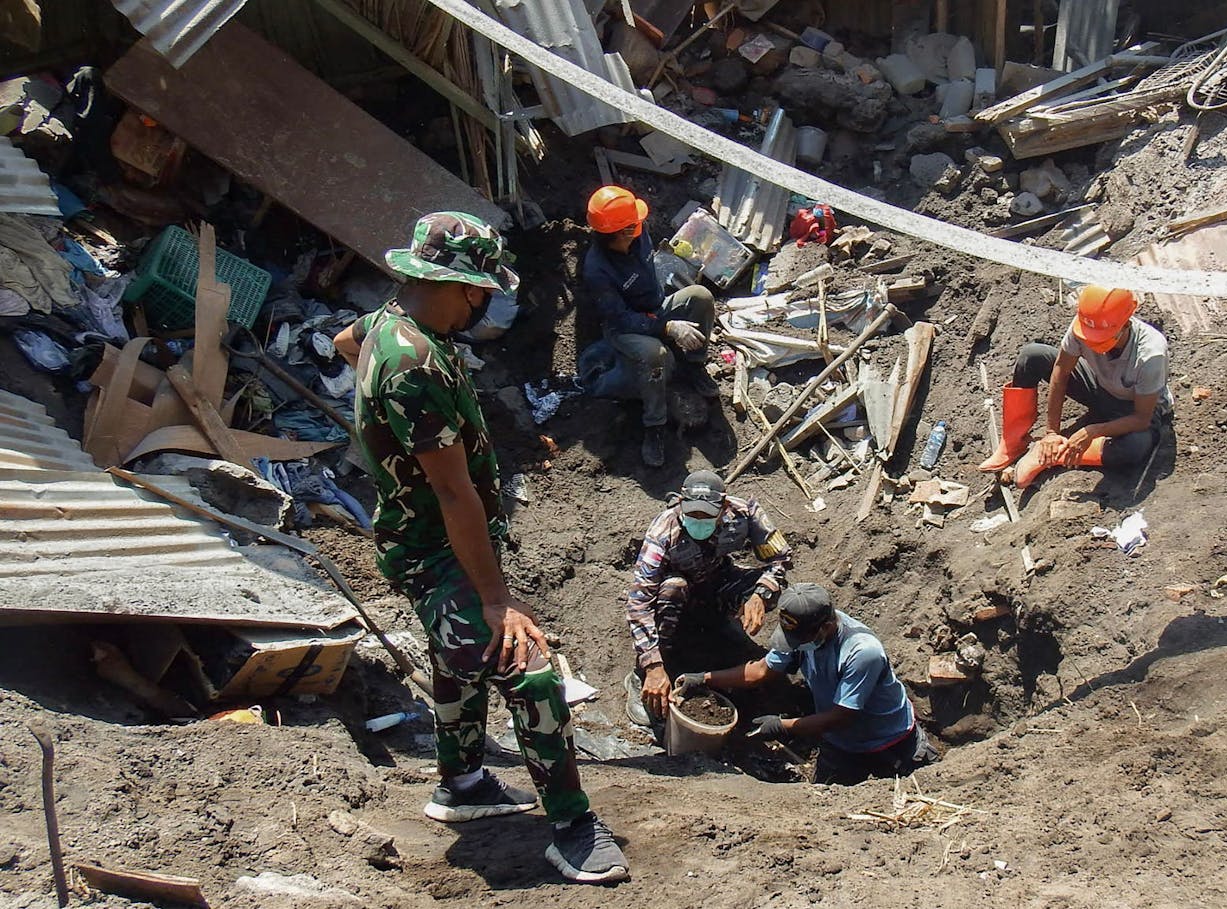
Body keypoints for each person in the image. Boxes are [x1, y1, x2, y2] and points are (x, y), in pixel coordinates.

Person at [334, 212, 628, 885]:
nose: (485, 304)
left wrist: (383, 438)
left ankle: (462, 781)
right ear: (465, 289)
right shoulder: (414, 365)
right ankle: (572, 829)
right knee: (524, 663)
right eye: (484, 293)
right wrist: (497, 599)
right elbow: (453, 491)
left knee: (457, 655)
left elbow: (342, 342)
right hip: (433, 546)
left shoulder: (383, 324)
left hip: (420, 535)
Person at [679, 583, 937, 785]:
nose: (794, 643)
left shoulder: (861, 652)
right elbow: (760, 671)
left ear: (825, 627)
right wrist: (704, 678)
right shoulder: (801, 633)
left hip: (890, 743)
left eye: (799, 638)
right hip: (840, 745)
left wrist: (781, 727)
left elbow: (841, 717)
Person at [624, 469, 791, 726]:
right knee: (673, 588)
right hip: (676, 597)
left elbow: (780, 558)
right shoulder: (663, 531)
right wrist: (651, 665)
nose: (699, 521)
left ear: (723, 508)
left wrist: (759, 594)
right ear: (681, 504)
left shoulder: (744, 514)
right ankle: (644, 674)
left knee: (771, 588)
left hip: (717, 582)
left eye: (707, 516)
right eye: (692, 515)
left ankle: (718, 625)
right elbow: (639, 600)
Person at [977, 285, 1171, 488]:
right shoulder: (1086, 324)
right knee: (1032, 356)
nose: (1092, 342)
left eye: (1100, 339)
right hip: (1100, 387)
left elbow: (1141, 419)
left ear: (1124, 325)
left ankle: (1054, 455)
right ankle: (1013, 443)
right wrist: (1051, 432)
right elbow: (1061, 372)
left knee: (1135, 447)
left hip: (1133, 408)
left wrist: (1092, 431)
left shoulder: (1150, 354)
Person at [582, 184, 718, 468]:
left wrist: (664, 318)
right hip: (624, 329)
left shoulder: (639, 234)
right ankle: (654, 424)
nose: (640, 226)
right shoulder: (598, 270)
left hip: (656, 307)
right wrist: (667, 329)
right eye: (634, 224)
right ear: (621, 232)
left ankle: (693, 365)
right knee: (655, 355)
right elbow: (620, 319)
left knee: (701, 297)